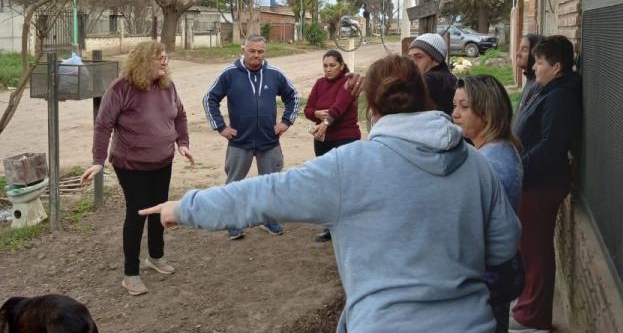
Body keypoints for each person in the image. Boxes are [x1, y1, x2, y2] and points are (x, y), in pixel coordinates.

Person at [141, 55, 520, 333]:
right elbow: (504, 247)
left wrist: (185, 207)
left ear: (369, 108)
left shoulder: (348, 166)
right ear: (426, 100)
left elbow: (262, 194)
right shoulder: (476, 164)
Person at [80, 42, 194, 296]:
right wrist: (98, 161)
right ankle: (130, 273)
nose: (165, 61)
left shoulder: (167, 87)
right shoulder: (121, 89)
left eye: (166, 57)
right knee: (138, 212)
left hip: (163, 161)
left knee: (159, 209)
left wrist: (182, 143)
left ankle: (155, 256)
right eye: (159, 58)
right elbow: (103, 125)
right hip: (131, 165)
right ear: (143, 62)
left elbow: (180, 116)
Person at [510, 35, 582, 333]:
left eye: (540, 62)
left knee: (536, 248)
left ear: (557, 66)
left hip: (542, 184)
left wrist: (518, 165)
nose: (534, 67)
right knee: (529, 246)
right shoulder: (547, 88)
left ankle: (534, 317)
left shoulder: (560, 96)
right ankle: (527, 303)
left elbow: (552, 145)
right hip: (533, 181)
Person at [203, 34, 299, 239]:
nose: (256, 55)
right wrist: (220, 127)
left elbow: (293, 96)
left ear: (265, 52)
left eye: (260, 51)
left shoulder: (274, 73)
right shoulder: (230, 74)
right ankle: (232, 223)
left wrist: (285, 122)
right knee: (234, 185)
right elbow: (209, 98)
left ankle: (269, 220)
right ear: (243, 49)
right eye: (252, 51)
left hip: (269, 140)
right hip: (240, 141)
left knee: (271, 184)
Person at [453, 75, 524, 333]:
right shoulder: (494, 151)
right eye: (454, 105)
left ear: (488, 112)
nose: (455, 114)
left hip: (488, 277)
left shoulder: (492, 162)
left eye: (464, 107)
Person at [304, 50, 361, 242]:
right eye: (325, 66)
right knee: (328, 184)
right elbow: (308, 109)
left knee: (346, 185)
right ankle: (332, 227)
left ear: (342, 65)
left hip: (345, 138)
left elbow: (339, 106)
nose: (328, 70)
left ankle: (352, 225)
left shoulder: (348, 82)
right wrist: (317, 115)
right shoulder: (320, 84)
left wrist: (326, 122)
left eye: (332, 65)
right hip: (322, 140)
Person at [408, 32, 457, 115]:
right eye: (410, 58)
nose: (412, 63)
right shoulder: (448, 78)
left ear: (436, 60)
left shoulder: (430, 80)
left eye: (419, 57)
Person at [515, 33, 544, 112]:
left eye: (524, 50)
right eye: (519, 48)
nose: (518, 54)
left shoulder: (538, 85)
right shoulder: (530, 79)